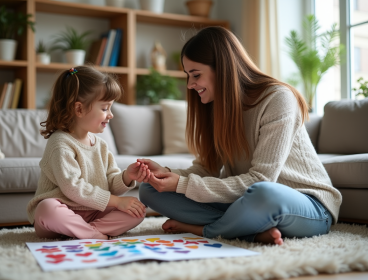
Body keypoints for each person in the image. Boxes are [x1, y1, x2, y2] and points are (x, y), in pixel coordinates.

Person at [138, 26, 342, 245]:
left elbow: (262, 180)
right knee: (149, 189)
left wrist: (182, 185)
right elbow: (207, 169)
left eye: (196, 75)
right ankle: (249, 230)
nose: (190, 85)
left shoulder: (278, 98)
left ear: (224, 68)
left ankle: (207, 230)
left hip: (307, 205)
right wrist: (167, 175)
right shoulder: (217, 107)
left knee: (264, 194)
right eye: (188, 76)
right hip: (248, 201)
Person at [27, 66, 149, 240]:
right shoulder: (60, 142)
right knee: (46, 209)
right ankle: (93, 234)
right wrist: (116, 201)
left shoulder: (101, 145)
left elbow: (109, 184)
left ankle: (84, 231)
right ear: (79, 109)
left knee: (137, 210)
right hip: (60, 214)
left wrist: (127, 176)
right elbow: (72, 187)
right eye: (105, 108)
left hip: (92, 212)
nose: (111, 115)